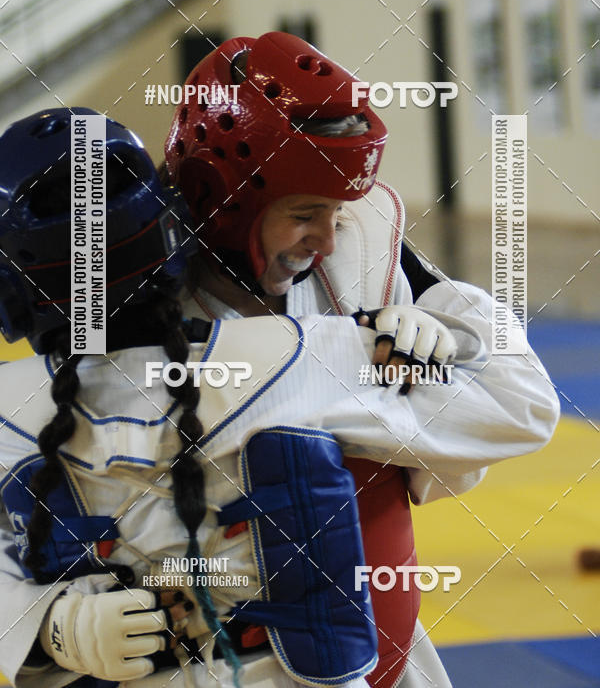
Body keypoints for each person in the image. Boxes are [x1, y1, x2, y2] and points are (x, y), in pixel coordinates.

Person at [0, 108, 530, 688]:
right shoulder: (294, 355)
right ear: (172, 233)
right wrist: (442, 313)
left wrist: (53, 622)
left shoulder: (12, 408)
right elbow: (517, 408)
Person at [163, 31, 561, 688]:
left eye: (339, 210)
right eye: (304, 213)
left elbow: (523, 407)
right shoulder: (146, 302)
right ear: (222, 201)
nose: (326, 237)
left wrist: (453, 342)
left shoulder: (359, 244)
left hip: (392, 655)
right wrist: (373, 384)